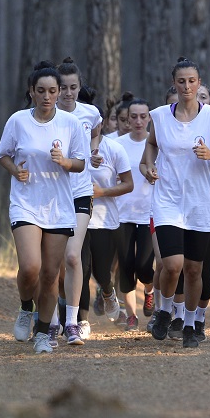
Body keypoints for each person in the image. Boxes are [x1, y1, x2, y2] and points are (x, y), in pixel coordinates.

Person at [0, 61, 87, 354]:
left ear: (60, 92)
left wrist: (65, 162)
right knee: (31, 267)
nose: (47, 96)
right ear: (31, 92)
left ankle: (43, 333)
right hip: (25, 203)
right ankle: (25, 309)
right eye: (41, 91)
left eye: (52, 91)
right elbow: (3, 155)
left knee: (51, 274)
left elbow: (81, 163)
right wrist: (15, 171)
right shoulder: (18, 121)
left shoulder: (70, 124)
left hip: (58, 206)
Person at [141, 57, 210, 348]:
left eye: (192, 81)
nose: (187, 86)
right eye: (181, 81)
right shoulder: (160, 115)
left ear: (199, 82)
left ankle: (191, 323)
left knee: (194, 269)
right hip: (167, 200)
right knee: (172, 264)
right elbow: (151, 145)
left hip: (200, 203)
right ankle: (166, 310)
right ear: (174, 84)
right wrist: (149, 166)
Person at [54, 57, 101, 345]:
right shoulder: (46, 115)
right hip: (52, 194)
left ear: (79, 87)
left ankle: (73, 322)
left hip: (81, 191)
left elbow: (97, 129)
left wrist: (94, 150)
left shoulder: (90, 113)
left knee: (73, 256)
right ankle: (53, 315)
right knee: (56, 264)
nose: (68, 93)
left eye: (73, 87)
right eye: (63, 88)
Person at [81, 110, 134, 334]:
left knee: (102, 272)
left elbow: (128, 184)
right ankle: (80, 322)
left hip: (105, 221)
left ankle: (108, 291)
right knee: (81, 270)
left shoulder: (113, 148)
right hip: (77, 218)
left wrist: (103, 192)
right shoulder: (72, 147)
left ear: (99, 124)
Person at [114, 99, 155, 329]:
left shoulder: (156, 144)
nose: (138, 121)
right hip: (122, 214)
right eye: (134, 116)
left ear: (149, 118)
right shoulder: (117, 145)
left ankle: (149, 289)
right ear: (127, 120)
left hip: (149, 212)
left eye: (143, 116)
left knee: (144, 267)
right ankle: (132, 315)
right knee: (126, 266)